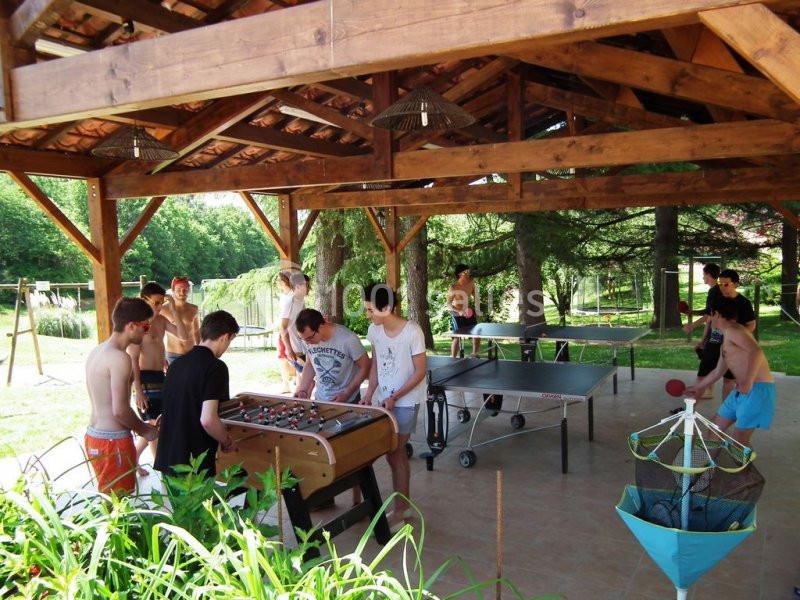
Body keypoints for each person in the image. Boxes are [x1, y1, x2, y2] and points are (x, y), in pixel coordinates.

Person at [361, 284, 426, 530]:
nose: (367, 315)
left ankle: (402, 509)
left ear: (386, 307)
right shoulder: (374, 331)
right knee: (392, 453)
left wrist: (395, 396)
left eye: (370, 309)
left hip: (405, 402)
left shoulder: (412, 332)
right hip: (383, 400)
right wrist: (369, 393)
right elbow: (376, 364)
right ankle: (401, 506)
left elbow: (420, 372)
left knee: (395, 452)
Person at [84, 298, 159, 495]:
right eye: (145, 326)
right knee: (120, 506)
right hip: (113, 443)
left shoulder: (97, 351)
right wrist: (146, 431)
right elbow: (120, 410)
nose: (147, 330)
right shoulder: (120, 359)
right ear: (131, 325)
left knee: (109, 502)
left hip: (94, 436)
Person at [154, 311, 239, 478]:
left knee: (179, 505)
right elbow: (208, 419)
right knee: (199, 505)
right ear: (225, 337)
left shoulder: (176, 365)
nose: (227, 346)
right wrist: (226, 440)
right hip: (194, 463)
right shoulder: (216, 367)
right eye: (230, 340)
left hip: (168, 457)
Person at [687, 297, 775, 446]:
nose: (707, 319)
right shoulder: (726, 337)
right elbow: (717, 372)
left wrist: (747, 381)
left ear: (717, 314)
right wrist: (697, 388)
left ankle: (744, 470)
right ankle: (709, 469)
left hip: (757, 390)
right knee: (714, 430)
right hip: (740, 392)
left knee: (739, 443)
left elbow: (756, 352)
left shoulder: (734, 330)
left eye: (709, 314)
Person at [128, 282, 189, 469]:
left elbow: (183, 335)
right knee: (155, 425)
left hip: (160, 377)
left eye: (161, 303)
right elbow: (133, 359)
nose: (159, 307)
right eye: (155, 303)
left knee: (157, 425)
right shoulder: (138, 326)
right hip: (144, 379)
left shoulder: (162, 321)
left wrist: (173, 309)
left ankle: (142, 461)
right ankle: (149, 463)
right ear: (143, 300)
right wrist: (137, 389)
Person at [294, 308, 370, 404]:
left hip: (348, 400)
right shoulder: (307, 339)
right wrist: (303, 390)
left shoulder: (348, 339)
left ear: (321, 326)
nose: (307, 342)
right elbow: (310, 364)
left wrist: (347, 393)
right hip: (321, 398)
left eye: (309, 338)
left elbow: (365, 366)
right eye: (302, 339)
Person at [682, 263, 722, 402]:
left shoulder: (714, 292)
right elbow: (709, 314)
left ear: (710, 275)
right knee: (704, 354)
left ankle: (702, 390)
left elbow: (708, 315)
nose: (703, 277)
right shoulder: (717, 291)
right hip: (718, 332)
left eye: (704, 274)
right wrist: (703, 339)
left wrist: (692, 325)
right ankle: (708, 389)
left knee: (707, 361)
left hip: (718, 333)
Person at [716, 269, 756, 400]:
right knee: (727, 380)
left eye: (725, 284)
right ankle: (725, 411)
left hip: (741, 347)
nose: (722, 287)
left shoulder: (744, 303)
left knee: (738, 381)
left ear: (736, 284)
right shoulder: (719, 301)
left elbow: (751, 325)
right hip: (725, 345)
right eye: (720, 284)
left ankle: (737, 411)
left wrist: (736, 338)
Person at [165, 276, 201, 366]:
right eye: (178, 290)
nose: (182, 292)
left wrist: (201, 352)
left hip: (191, 353)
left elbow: (196, 331)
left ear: (189, 290)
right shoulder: (163, 309)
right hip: (172, 354)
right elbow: (158, 334)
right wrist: (161, 357)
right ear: (173, 290)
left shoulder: (194, 309)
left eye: (185, 289)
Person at [279, 272, 310, 376]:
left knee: (305, 381)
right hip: (296, 350)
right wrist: (289, 349)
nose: (309, 288)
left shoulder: (300, 301)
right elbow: (282, 328)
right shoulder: (290, 302)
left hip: (304, 348)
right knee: (310, 380)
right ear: (298, 286)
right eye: (307, 285)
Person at [447, 264, 479, 357]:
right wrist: (459, 311)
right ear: (460, 274)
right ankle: (453, 357)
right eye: (466, 271)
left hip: (468, 313)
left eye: (468, 271)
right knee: (458, 336)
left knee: (476, 333)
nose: (468, 273)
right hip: (456, 313)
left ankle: (475, 354)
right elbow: (448, 305)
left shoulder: (471, 283)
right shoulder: (453, 287)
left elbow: (476, 297)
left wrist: (477, 310)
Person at [275, 271, 296, 393]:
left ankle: (296, 381)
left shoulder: (292, 297)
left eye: (279, 281)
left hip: (289, 331)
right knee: (282, 357)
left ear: (284, 281)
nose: (277, 283)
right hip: (283, 331)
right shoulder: (284, 296)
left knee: (294, 356)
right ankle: (286, 383)